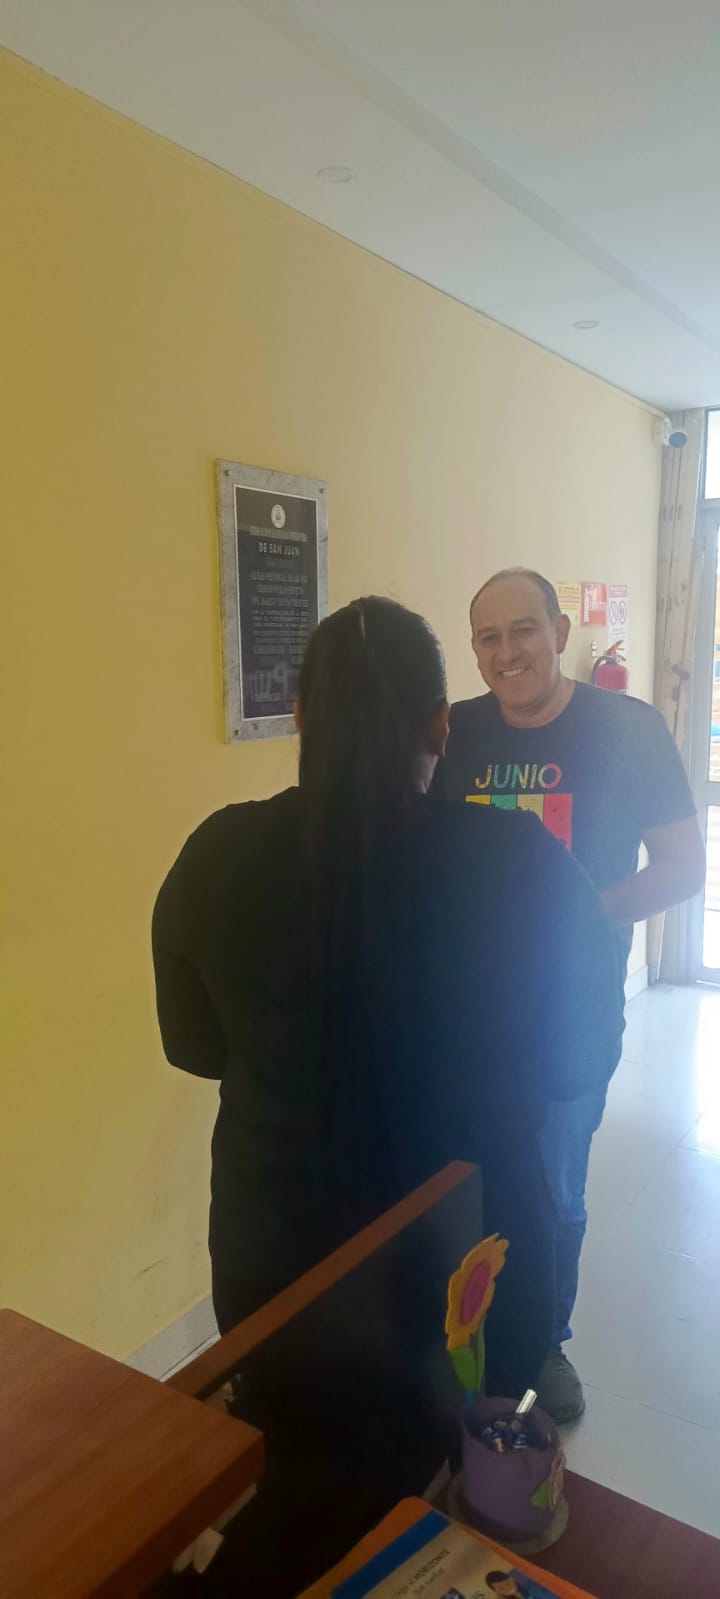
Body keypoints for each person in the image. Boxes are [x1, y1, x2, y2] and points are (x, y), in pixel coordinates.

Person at [152, 596, 622, 1394]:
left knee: (289, 1441)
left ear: (301, 717)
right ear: (441, 724)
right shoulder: (525, 860)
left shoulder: (217, 854)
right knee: (469, 1452)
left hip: (278, 1259)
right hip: (474, 1252)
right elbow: (583, 1061)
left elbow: (192, 1047)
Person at [441, 567, 705, 1422]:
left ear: (558, 631)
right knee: (464, 1186)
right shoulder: (454, 731)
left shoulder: (628, 729)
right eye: (488, 638)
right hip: (464, 1018)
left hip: (571, 1015)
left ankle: (544, 1342)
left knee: (554, 1189)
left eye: (524, 630)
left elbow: (684, 866)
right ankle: (465, 1340)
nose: (508, 651)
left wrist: (589, 912)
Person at [486, 1572, 556, 1599]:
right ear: (497, 1592)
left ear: (512, 1579)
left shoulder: (530, 1585)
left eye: (507, 1583)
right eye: (501, 1588)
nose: (507, 1588)